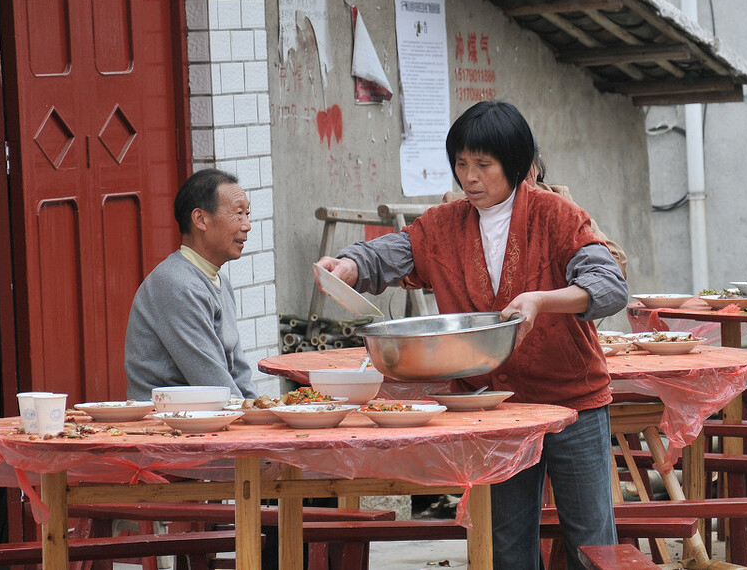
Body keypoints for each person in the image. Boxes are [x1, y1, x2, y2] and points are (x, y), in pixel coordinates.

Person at [315, 101, 627, 570]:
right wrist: (351, 265)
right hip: (491, 407)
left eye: (484, 164)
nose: (470, 177)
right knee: (505, 546)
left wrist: (543, 300)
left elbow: (609, 286)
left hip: (573, 403)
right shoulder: (444, 224)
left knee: (591, 545)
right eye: (462, 164)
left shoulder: (558, 216)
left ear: (517, 165)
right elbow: (392, 253)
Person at [125, 168, 257, 400]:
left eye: (248, 214)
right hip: (167, 425)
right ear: (201, 219)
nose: (247, 225)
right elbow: (213, 383)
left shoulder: (220, 282)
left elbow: (239, 371)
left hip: (211, 417)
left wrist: (260, 412)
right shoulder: (175, 284)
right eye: (238, 213)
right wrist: (253, 424)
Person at [442, 138, 628, 277]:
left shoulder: (558, 204)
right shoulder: (458, 208)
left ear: (537, 166)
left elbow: (614, 261)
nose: (516, 182)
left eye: (524, 170)